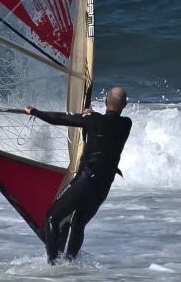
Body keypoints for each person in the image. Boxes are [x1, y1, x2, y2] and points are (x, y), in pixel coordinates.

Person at [23, 86, 132, 264]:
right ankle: (70, 264)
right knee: (78, 223)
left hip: (86, 180)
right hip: (104, 185)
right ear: (125, 105)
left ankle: (53, 264)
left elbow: (59, 119)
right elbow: (107, 124)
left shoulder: (92, 120)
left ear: (105, 102)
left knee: (52, 217)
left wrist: (34, 111)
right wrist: (91, 117)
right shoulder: (126, 124)